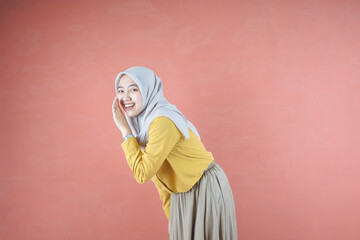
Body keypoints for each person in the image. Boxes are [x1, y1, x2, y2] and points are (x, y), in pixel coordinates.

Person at [112, 66, 238, 239]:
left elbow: (143, 173)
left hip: (203, 186)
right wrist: (173, 216)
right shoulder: (144, 125)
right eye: (120, 91)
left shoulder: (162, 120)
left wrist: (125, 132)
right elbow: (160, 176)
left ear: (148, 90)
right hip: (181, 192)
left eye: (133, 89)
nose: (125, 97)